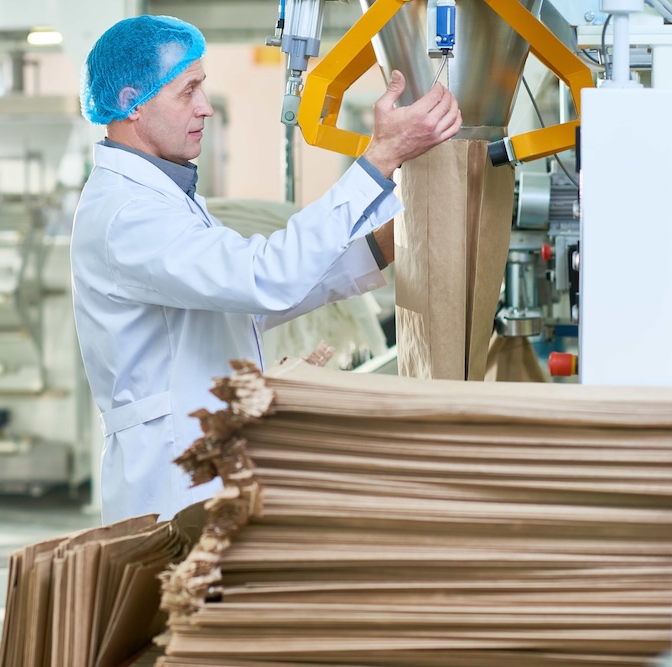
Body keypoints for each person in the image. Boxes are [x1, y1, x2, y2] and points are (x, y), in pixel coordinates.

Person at [71, 15, 461, 524]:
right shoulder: (128, 215)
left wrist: (377, 249)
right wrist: (379, 159)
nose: (205, 108)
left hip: (205, 464)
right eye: (188, 91)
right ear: (131, 102)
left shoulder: (164, 198)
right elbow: (265, 279)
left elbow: (243, 308)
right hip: (170, 485)